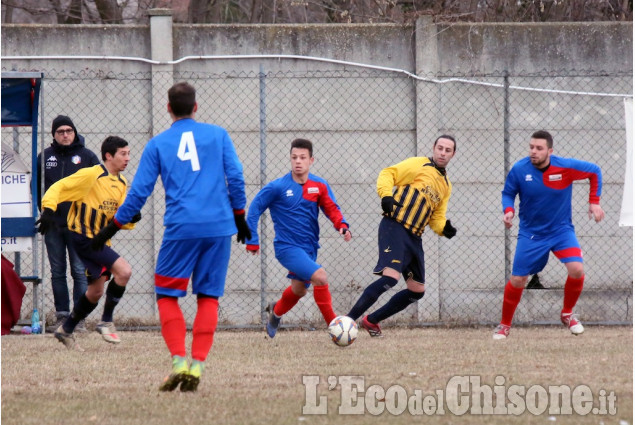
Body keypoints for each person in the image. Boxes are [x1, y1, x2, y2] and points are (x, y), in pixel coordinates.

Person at [92, 82, 250, 393]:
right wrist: (240, 216)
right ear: (196, 107)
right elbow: (236, 176)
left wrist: (111, 228)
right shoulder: (218, 135)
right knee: (208, 297)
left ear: (167, 108)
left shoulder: (158, 144)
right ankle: (198, 365)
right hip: (219, 227)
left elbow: (139, 192)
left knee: (167, 295)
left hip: (181, 228)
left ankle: (179, 361)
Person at [493, 130, 604, 340]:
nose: (533, 152)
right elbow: (508, 193)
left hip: (561, 231)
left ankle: (567, 314)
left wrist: (594, 201)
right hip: (531, 233)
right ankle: (504, 325)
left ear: (550, 151)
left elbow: (594, 171)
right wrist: (508, 211)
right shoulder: (519, 169)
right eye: (531, 147)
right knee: (518, 279)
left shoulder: (565, 167)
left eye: (539, 148)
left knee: (577, 269)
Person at [346, 135, 457, 337]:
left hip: (415, 238)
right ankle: (347, 321)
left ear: (453, 154)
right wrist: (386, 196)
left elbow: (437, 216)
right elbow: (388, 173)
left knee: (417, 291)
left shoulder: (446, 185)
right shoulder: (419, 164)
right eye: (440, 148)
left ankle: (371, 321)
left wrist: (443, 228)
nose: (442, 152)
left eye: (447, 150)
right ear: (433, 148)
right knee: (391, 278)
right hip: (395, 226)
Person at [37, 136, 138, 351]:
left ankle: (66, 329)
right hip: (84, 238)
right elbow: (59, 187)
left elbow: (117, 218)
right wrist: (48, 209)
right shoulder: (92, 174)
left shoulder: (121, 183)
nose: (128, 158)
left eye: (129, 153)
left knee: (95, 292)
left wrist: (131, 218)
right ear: (108, 156)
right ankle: (106, 321)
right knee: (124, 271)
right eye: (123, 153)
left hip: (100, 241)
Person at [245, 138, 352, 339]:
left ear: (311, 160)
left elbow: (331, 209)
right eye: (294, 157)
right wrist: (252, 239)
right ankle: (335, 328)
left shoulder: (319, 185)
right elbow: (254, 209)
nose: (298, 161)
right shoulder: (277, 187)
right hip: (287, 248)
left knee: (299, 290)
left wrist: (342, 226)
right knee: (320, 277)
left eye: (302, 157)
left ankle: (275, 312)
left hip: (309, 248)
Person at [37, 115, 100, 331]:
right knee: (57, 271)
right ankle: (62, 316)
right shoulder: (44, 157)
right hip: (53, 225)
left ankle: (79, 317)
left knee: (79, 271)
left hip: (79, 226)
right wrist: (44, 211)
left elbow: (100, 187)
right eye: (60, 131)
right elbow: (37, 187)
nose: (65, 134)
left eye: (69, 131)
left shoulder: (87, 157)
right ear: (54, 135)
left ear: (74, 132)